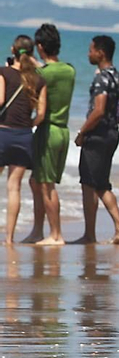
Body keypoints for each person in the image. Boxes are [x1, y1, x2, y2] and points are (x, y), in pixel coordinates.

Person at [71, 35, 119, 245]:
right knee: (102, 184)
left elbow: (98, 110)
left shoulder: (102, 78)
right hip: (112, 132)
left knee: (88, 183)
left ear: (100, 52)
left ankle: (90, 234)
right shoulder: (117, 76)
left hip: (98, 135)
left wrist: (82, 132)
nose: (89, 54)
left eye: (91, 50)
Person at [24, 23, 74, 246]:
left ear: (40, 46)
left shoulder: (42, 73)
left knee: (46, 185)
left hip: (48, 130)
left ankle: (56, 234)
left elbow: (35, 87)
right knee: (36, 181)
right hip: (63, 130)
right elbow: (51, 76)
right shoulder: (69, 70)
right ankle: (37, 230)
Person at [1, 37, 44, 243]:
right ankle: (9, 238)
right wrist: (28, 124)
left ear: (13, 50)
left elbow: (0, 100)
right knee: (14, 187)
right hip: (24, 135)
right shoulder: (38, 79)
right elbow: (41, 114)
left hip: (3, 133)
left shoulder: (4, 72)